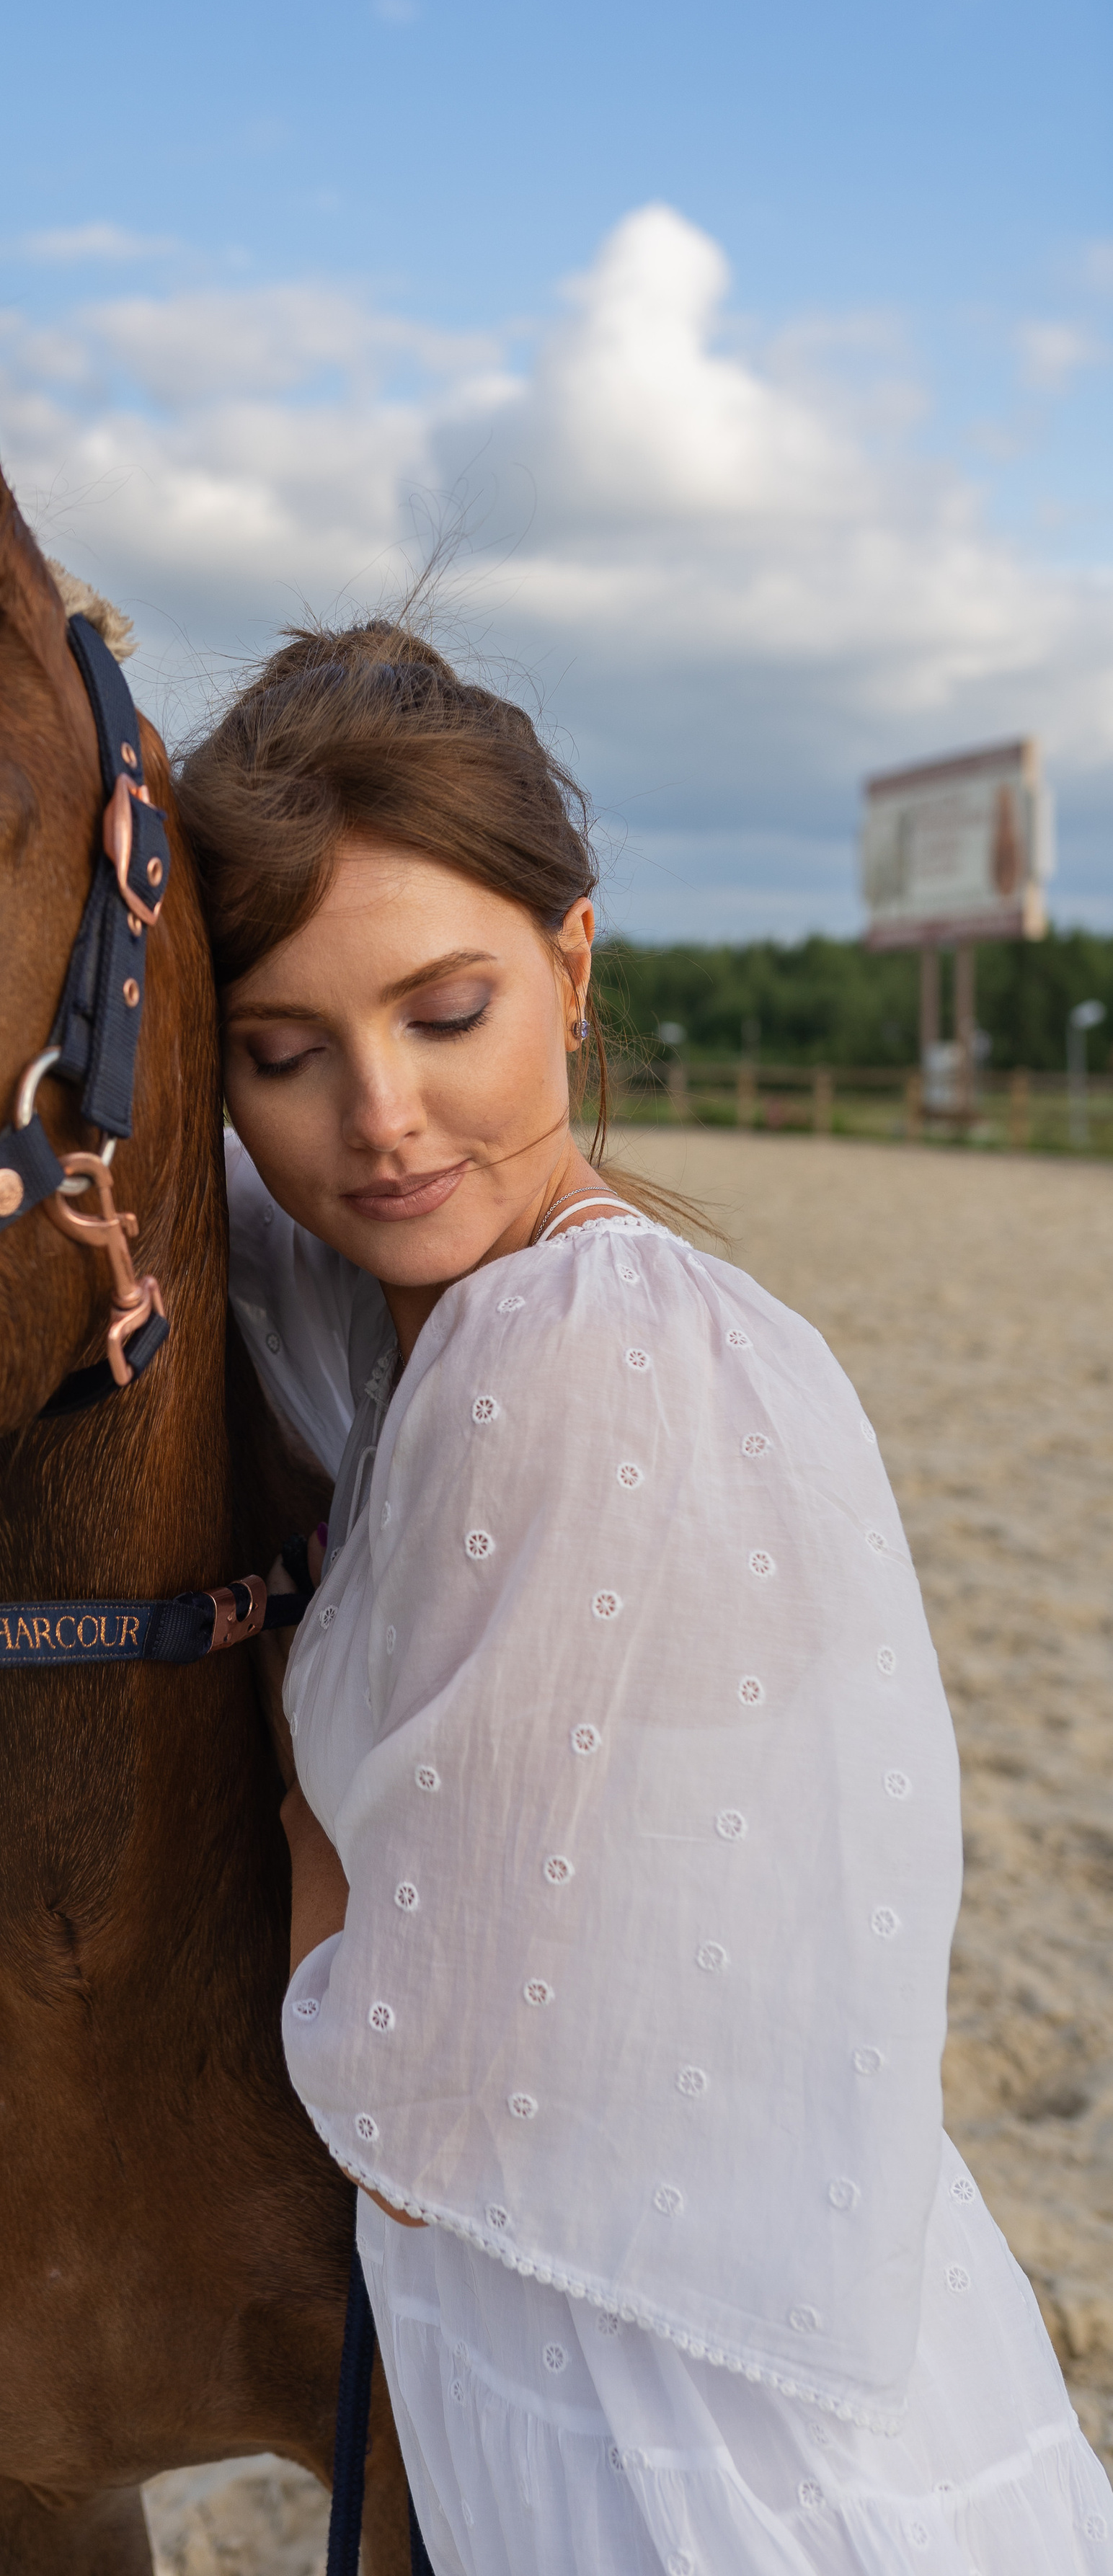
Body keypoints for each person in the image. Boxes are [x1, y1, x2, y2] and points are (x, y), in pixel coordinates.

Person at [174, 621, 1111, 2575]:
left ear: (575, 966)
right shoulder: (430, 1311)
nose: (382, 1122)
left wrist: (294, 1836)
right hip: (666, 2302)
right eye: (280, 1053)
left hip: (642, 2397)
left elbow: (427, 2086)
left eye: (450, 1013)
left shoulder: (575, 1345)